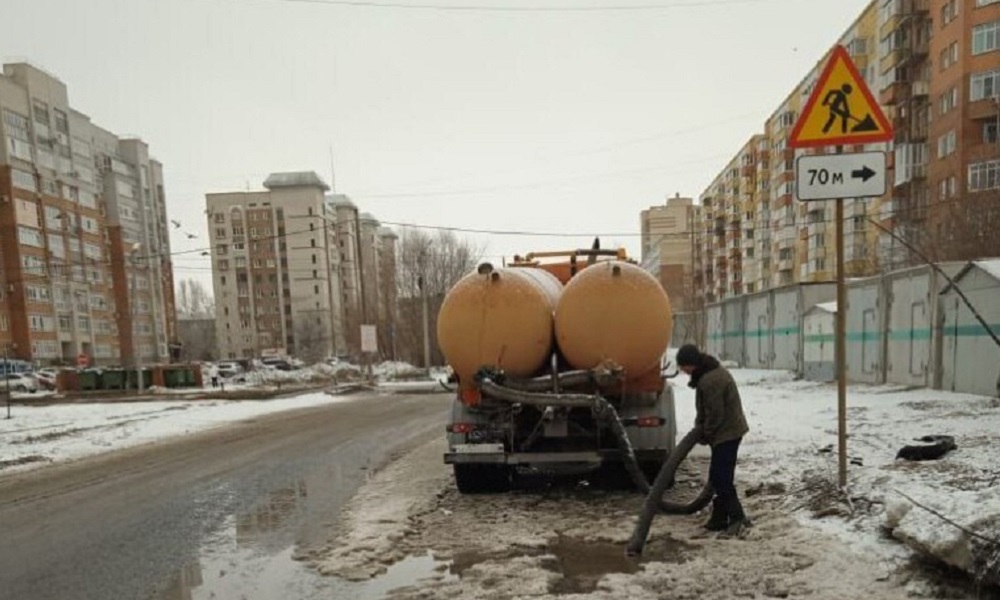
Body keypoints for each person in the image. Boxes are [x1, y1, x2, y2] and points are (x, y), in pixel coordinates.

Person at [675, 343, 751, 537]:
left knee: (722, 478)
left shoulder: (710, 380)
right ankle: (719, 518)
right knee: (718, 475)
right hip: (727, 431)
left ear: (691, 363)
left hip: (728, 433)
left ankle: (737, 518)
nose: (682, 371)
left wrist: (705, 433)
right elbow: (706, 410)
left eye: (683, 366)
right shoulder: (708, 374)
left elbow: (715, 413)